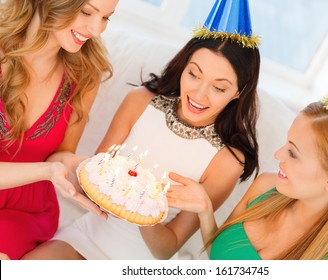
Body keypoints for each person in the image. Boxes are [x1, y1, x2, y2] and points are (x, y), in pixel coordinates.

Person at [22, 0, 262, 260]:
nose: (199, 94)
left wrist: (142, 207)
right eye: (194, 74)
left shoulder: (228, 160)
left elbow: (166, 248)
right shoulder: (140, 101)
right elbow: (94, 180)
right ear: (183, 68)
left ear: (239, 92)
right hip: (87, 236)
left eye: (219, 87)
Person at [166, 80, 328, 260]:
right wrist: (205, 209)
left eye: (293, 153)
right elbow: (221, 259)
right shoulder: (265, 186)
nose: (278, 155)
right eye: (287, 144)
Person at [0, 0, 119, 260]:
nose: (96, 30)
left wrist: (82, 170)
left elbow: (62, 154)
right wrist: (47, 171)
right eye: (87, 12)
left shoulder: (86, 73)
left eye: (106, 18)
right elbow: (48, 168)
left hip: (26, 212)